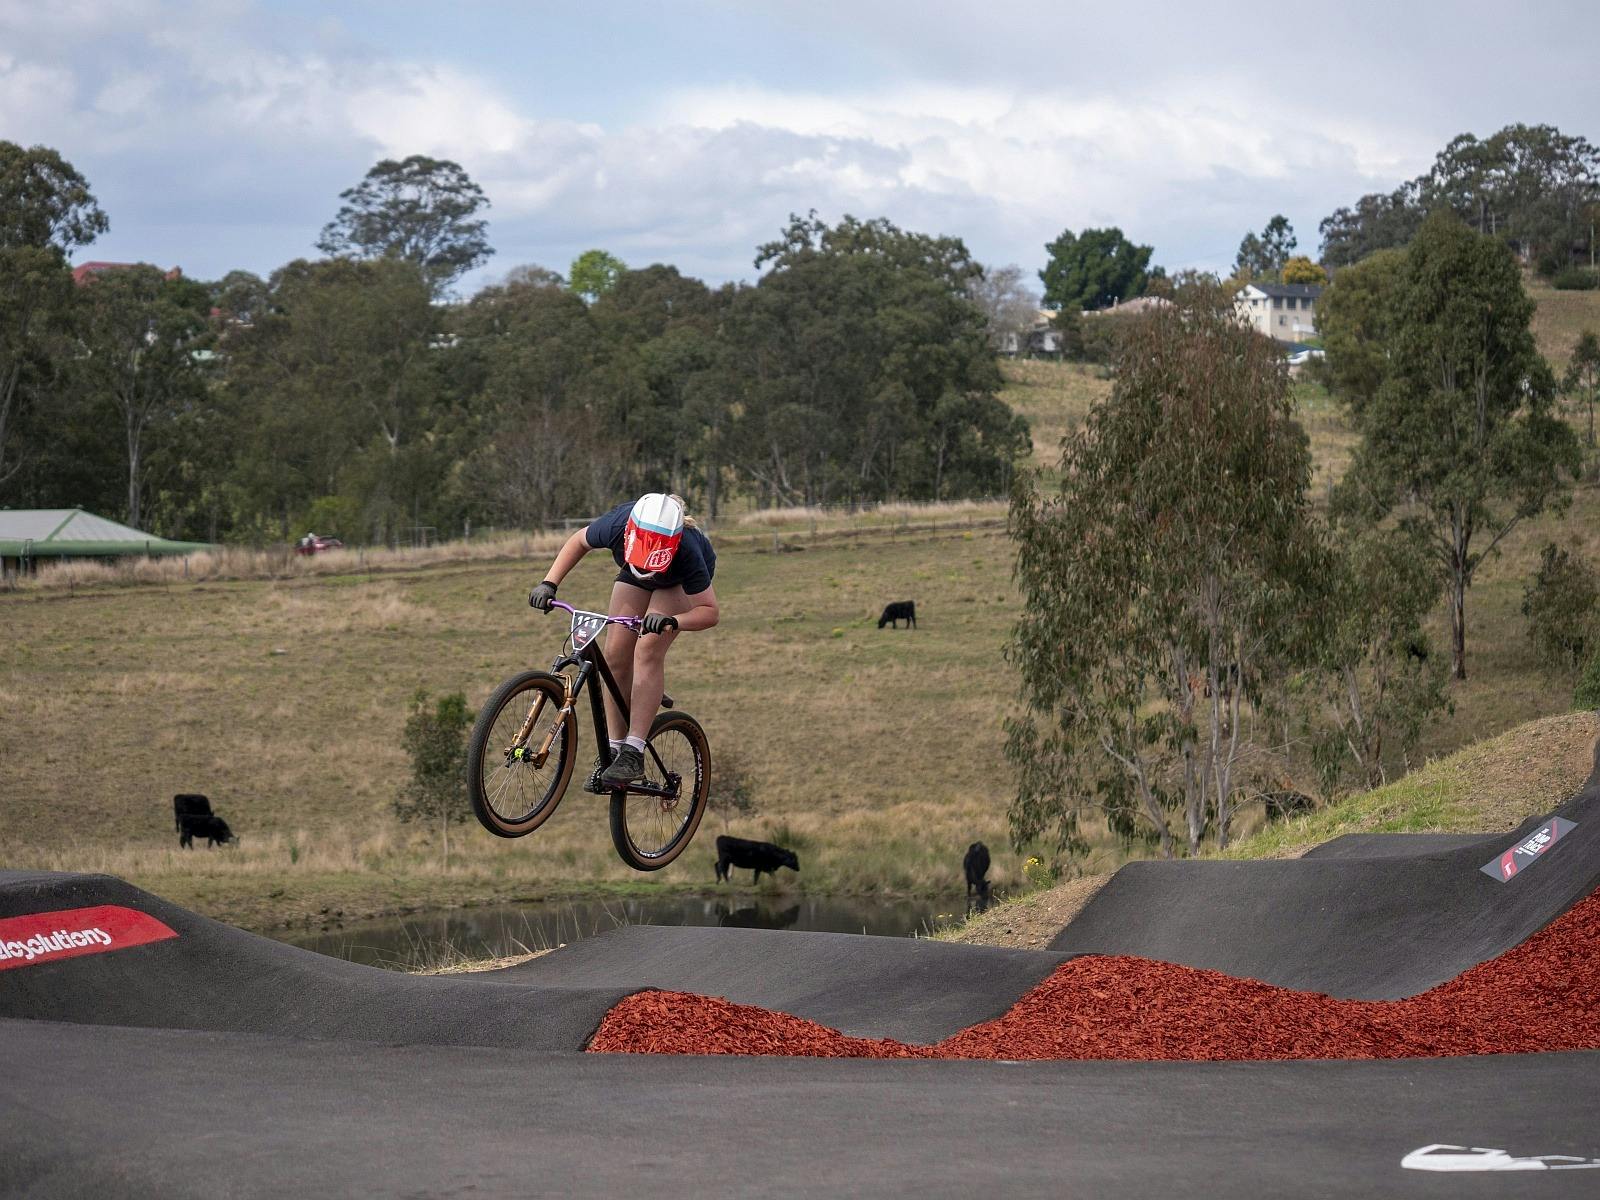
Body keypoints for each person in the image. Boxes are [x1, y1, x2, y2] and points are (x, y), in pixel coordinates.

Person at [528, 493, 718, 789]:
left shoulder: (689, 550)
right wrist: (549, 582)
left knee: (647, 649)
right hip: (633, 573)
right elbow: (579, 541)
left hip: (676, 583)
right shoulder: (617, 523)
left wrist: (673, 621)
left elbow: (709, 612)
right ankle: (614, 751)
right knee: (615, 656)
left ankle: (634, 751)